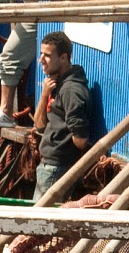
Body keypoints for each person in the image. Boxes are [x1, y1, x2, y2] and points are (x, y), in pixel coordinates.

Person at [34, 31, 97, 199]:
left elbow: (81, 140)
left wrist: (63, 150)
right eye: (41, 54)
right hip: (49, 167)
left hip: (56, 169)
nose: (41, 60)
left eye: (47, 55)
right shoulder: (55, 85)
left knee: (40, 220)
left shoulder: (71, 90)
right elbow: (39, 126)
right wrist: (44, 94)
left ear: (63, 57)